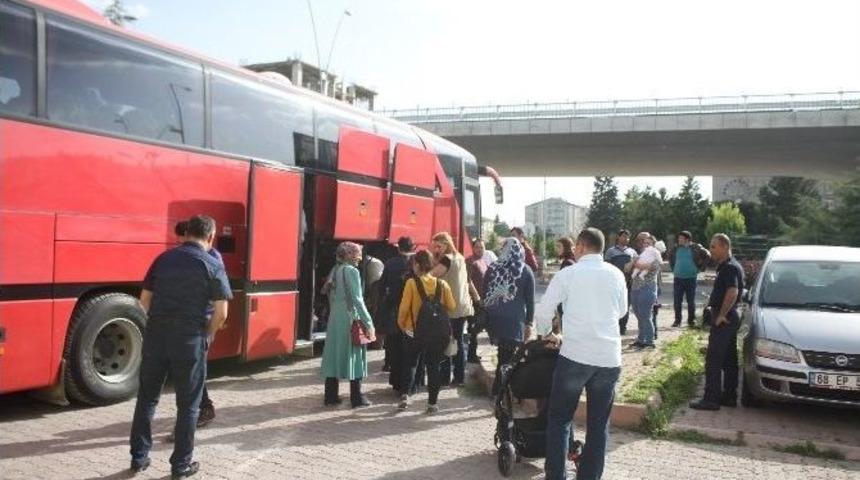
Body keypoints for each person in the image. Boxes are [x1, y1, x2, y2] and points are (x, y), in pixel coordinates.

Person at [129, 215, 232, 479]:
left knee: (147, 397)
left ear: (187, 234)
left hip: (156, 336)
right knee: (188, 405)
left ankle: (139, 458)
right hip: (190, 338)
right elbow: (221, 313)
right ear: (210, 237)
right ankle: (181, 465)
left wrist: (159, 323)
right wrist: (207, 335)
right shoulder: (212, 263)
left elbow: (144, 301)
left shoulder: (163, 259)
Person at [535, 228, 627, 480]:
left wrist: (546, 335)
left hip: (575, 355)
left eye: (576, 247)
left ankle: (556, 476)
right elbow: (621, 312)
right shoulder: (616, 274)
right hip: (608, 358)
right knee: (598, 426)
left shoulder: (569, 274)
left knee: (560, 419)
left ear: (581, 247)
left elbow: (543, 312)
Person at [689, 233, 744, 411]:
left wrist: (721, 314)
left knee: (713, 359)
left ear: (724, 247)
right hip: (730, 317)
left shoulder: (729, 268)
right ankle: (729, 396)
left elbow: (733, 291)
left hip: (725, 319)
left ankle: (711, 399)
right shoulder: (728, 266)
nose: (711, 249)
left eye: (713, 246)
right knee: (729, 359)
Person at [397, 250, 457, 413]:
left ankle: (405, 396)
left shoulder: (411, 283)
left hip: (414, 331)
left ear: (417, 265)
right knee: (433, 367)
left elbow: (403, 309)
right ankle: (432, 403)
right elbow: (451, 306)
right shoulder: (442, 284)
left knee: (410, 364)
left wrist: (402, 325)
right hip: (436, 334)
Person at [321, 242, 376, 408]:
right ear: (351, 254)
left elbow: (329, 294)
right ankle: (357, 397)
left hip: (335, 318)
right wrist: (368, 322)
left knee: (333, 355)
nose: (359, 257)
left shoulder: (336, 270)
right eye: (357, 253)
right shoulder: (352, 271)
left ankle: (330, 395)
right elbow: (357, 299)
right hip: (349, 318)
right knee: (355, 355)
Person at [482, 238, 535, 394]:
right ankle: (500, 392)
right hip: (513, 321)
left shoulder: (492, 268)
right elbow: (530, 301)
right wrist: (529, 323)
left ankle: (499, 390)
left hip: (494, 319)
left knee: (503, 356)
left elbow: (484, 294)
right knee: (507, 358)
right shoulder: (525, 270)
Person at [430, 232, 475, 385]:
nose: (436, 249)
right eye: (434, 246)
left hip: (449, 307)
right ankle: (459, 377)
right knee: (458, 341)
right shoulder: (460, 258)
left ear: (446, 244)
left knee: (445, 341)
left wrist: (434, 259)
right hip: (462, 306)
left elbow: (430, 276)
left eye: (438, 246)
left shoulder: (446, 259)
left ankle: (444, 377)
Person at [378, 237, 415, 387]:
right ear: (412, 247)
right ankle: (407, 384)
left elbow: (381, 287)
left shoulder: (390, 263)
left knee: (393, 344)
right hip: (411, 309)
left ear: (398, 247)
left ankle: (395, 380)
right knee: (408, 347)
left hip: (394, 307)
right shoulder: (415, 263)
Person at [669, 231, 711, 327]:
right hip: (678, 278)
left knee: (691, 301)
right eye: (679, 238)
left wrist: (700, 268)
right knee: (677, 301)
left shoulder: (696, 247)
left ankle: (691, 321)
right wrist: (674, 269)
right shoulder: (676, 248)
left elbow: (708, 255)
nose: (679, 240)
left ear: (687, 239)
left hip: (691, 279)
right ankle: (677, 320)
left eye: (681, 238)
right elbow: (671, 258)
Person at [630, 232, 661, 349]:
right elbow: (630, 267)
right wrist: (635, 262)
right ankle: (641, 339)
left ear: (653, 245)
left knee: (646, 316)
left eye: (649, 243)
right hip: (635, 289)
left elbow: (647, 266)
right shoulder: (641, 255)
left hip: (647, 289)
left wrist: (636, 262)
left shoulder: (656, 257)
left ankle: (649, 341)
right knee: (639, 316)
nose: (645, 245)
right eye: (644, 243)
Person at [604, 230, 637, 335]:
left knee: (625, 304)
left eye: (628, 237)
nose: (626, 239)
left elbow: (637, 264)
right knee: (613, 305)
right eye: (623, 237)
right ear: (618, 237)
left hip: (628, 282)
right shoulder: (610, 251)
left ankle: (622, 327)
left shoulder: (632, 251)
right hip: (614, 283)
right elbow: (606, 267)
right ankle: (613, 327)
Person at [466, 238, 491, 363]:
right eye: (477, 247)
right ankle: (470, 355)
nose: (480, 249)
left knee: (478, 328)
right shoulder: (470, 261)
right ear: (473, 248)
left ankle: (472, 353)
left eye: (482, 247)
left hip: (483, 301)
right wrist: (476, 297)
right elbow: (468, 280)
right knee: (473, 329)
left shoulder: (483, 261)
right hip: (474, 302)